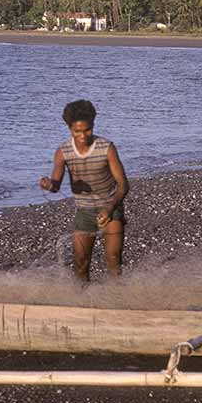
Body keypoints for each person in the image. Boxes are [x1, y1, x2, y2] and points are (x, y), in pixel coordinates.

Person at [39, 100, 129, 281]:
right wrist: (50, 185)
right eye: (77, 131)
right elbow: (56, 185)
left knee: (113, 260)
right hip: (84, 211)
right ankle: (83, 302)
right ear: (69, 129)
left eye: (87, 130)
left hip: (111, 208)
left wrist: (110, 208)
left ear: (93, 125)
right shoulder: (63, 152)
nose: (82, 135)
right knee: (80, 263)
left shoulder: (107, 148)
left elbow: (123, 185)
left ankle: (118, 301)